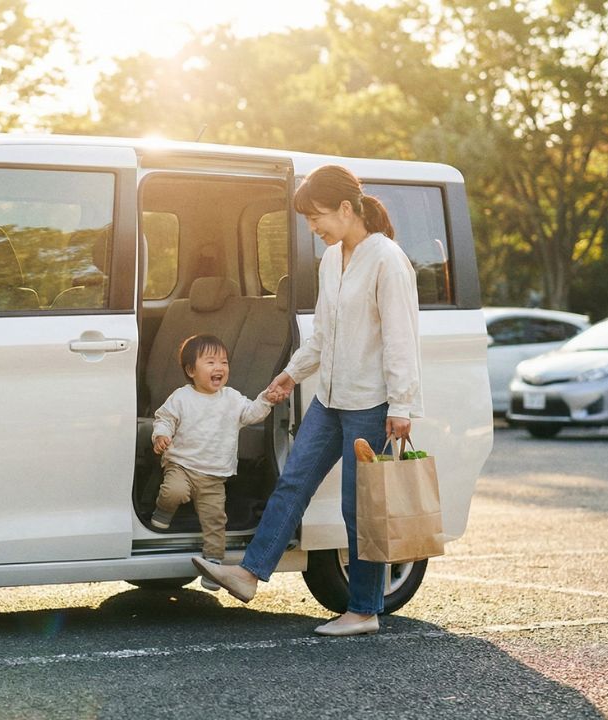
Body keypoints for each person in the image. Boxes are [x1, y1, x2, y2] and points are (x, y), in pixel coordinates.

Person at [196, 164, 422, 637]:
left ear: (346, 208)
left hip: (371, 404)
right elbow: (321, 336)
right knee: (292, 482)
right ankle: (250, 573)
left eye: (316, 217)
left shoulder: (387, 259)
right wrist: (289, 375)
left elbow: (402, 340)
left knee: (359, 508)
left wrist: (401, 406)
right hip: (330, 399)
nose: (312, 228)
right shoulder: (331, 260)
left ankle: (364, 610)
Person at [151, 334, 283, 575]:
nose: (219, 367)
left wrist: (266, 400)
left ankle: (213, 563)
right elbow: (165, 419)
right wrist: (161, 435)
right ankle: (163, 511)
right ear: (191, 370)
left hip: (214, 475)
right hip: (182, 465)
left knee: (215, 520)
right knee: (174, 492)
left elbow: (251, 413)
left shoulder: (231, 398)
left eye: (224, 362)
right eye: (210, 362)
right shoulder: (182, 397)